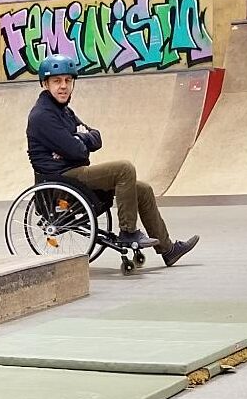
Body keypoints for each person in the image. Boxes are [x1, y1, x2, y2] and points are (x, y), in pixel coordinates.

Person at [25, 53, 199, 266]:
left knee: (142, 189)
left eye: (68, 81)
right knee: (124, 169)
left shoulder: (64, 111)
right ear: (45, 84)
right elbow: (78, 152)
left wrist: (79, 137)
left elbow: (96, 138)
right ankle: (128, 232)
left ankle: (168, 249)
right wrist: (79, 140)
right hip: (61, 180)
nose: (63, 86)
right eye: (57, 81)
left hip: (74, 173)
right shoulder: (43, 116)